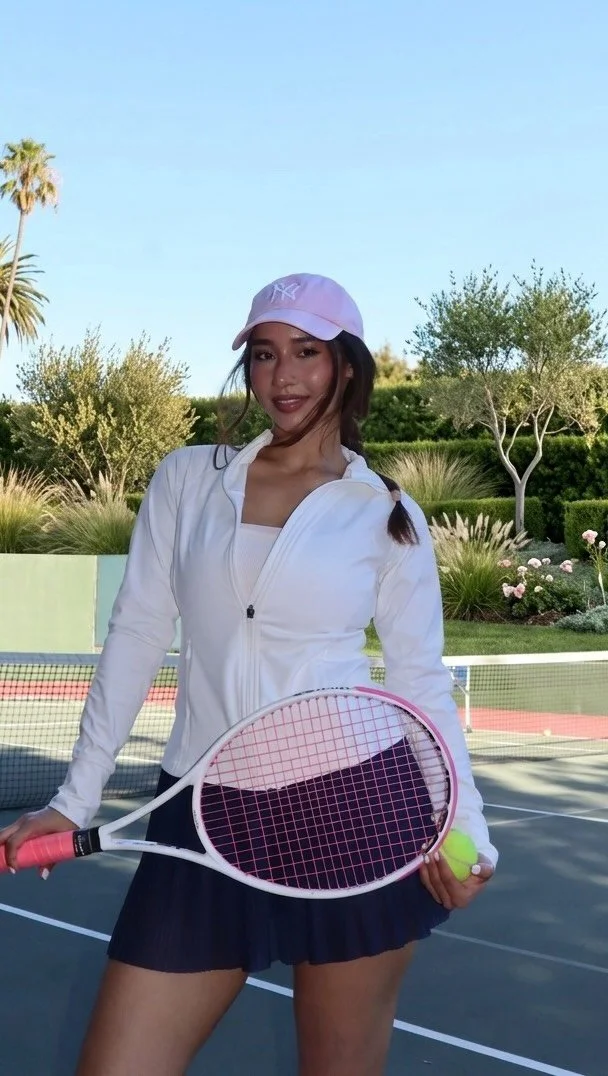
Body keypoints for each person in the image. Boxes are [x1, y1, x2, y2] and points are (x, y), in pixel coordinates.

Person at [0, 273, 497, 1076]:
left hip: (355, 813)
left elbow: (420, 682)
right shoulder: (187, 480)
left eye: (306, 352)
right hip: (198, 817)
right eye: (264, 355)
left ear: (346, 366)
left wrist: (466, 826)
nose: (282, 376)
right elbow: (137, 633)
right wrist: (73, 800)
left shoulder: (387, 514)